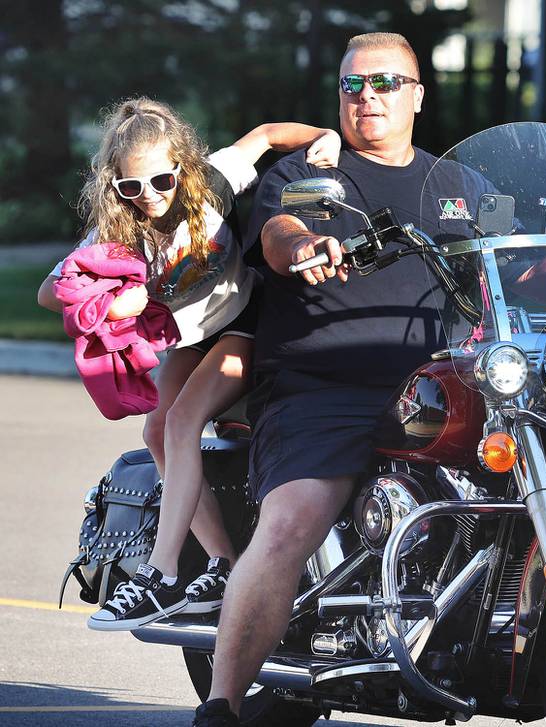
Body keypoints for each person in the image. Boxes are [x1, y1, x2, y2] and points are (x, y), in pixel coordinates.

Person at [190, 31, 496, 726]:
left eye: (385, 83)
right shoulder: (310, 171)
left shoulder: (461, 184)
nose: (368, 98)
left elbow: (517, 252)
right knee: (294, 517)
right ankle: (222, 704)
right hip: (323, 383)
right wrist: (305, 245)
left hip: (443, 385)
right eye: (353, 86)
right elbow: (278, 231)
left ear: (418, 95)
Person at [37, 97, 341, 630]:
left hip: (246, 322)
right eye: (131, 187)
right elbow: (48, 291)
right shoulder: (118, 231)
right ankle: (222, 563)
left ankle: (161, 572)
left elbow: (267, 131)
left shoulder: (214, 184)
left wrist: (323, 135)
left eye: (161, 182)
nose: (149, 197)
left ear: (183, 167)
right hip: (189, 339)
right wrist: (111, 303)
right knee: (156, 432)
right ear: (114, 186)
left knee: (181, 423)